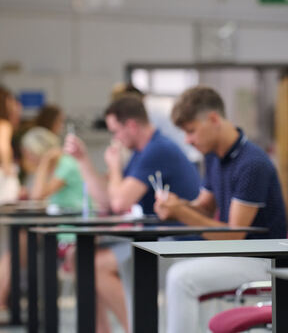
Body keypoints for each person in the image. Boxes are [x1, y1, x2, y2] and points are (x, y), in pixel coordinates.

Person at [154, 86, 287, 333]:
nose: (188, 140)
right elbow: (204, 207)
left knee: (180, 278)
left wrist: (182, 212)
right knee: (180, 264)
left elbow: (233, 236)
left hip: (263, 260)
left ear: (213, 120)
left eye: (191, 131)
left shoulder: (252, 164)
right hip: (238, 254)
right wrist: (176, 205)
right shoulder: (214, 156)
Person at [64, 95, 201, 333]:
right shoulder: (141, 151)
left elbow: (118, 203)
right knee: (77, 256)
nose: (114, 138)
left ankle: (135, 328)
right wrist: (83, 160)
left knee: (95, 265)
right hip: (151, 236)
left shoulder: (158, 150)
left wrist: (115, 167)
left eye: (116, 131)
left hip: (177, 240)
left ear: (131, 126)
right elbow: (107, 201)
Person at [0, 86, 21, 311]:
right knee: (9, 248)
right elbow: (3, 147)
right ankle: (1, 298)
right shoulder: (3, 124)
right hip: (4, 192)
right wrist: (8, 170)